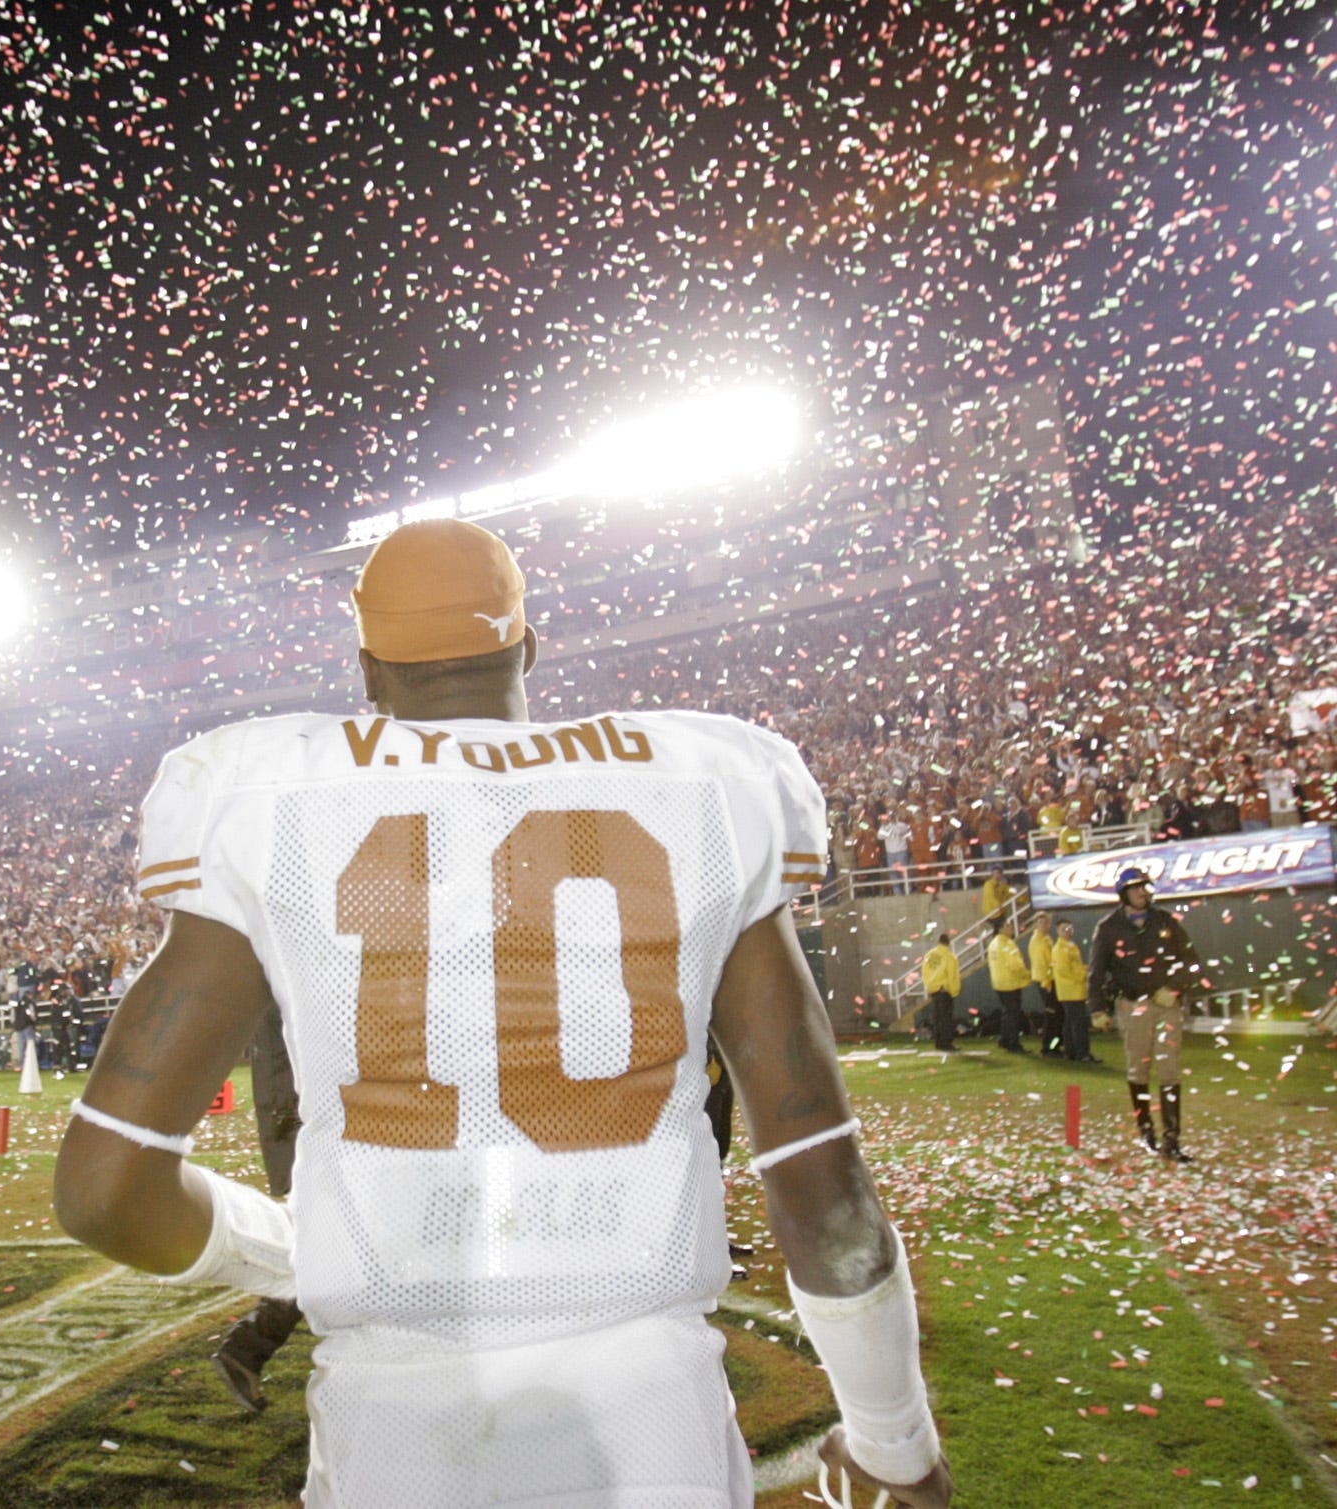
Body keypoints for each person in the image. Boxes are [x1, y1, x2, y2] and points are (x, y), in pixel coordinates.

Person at [54, 519, 951, 1509]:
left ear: (366, 668)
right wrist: (889, 1444)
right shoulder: (703, 786)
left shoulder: (264, 796)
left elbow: (105, 1194)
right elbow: (823, 1195)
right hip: (655, 1426)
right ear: (525, 645)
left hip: (393, 1439)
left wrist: (297, 1254)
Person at [210, 1002, 307, 1412]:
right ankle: (247, 1349)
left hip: (308, 1116)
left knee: (340, 1248)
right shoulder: (291, 959)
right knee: (340, 1248)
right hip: (312, 1119)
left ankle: (247, 1349)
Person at [1088, 866, 1203, 1162]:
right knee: (1138, 1070)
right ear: (1124, 893)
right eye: (1136, 887)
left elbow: (1192, 961)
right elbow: (1096, 973)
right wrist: (1098, 1008)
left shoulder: (1165, 921)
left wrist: (1175, 988)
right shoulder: (1109, 928)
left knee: (1169, 1070)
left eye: (1145, 887)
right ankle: (1146, 1132)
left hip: (1166, 1006)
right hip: (1131, 1007)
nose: (1143, 892)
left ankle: (1172, 1139)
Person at [1051, 920, 1095, 1063]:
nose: (1068, 931)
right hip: (1070, 990)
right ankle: (1082, 1053)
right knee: (1078, 1023)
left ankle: (1071, 1052)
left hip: (1074, 989)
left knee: (1071, 1022)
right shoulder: (1060, 949)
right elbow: (1064, 970)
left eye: (1070, 928)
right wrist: (1083, 974)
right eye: (1065, 929)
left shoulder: (1071, 946)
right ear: (1058, 931)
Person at [985, 917, 1031, 1053]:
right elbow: (1015, 964)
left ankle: (1004, 1040)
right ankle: (1013, 1043)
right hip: (1010, 983)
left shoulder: (993, 944)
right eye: (1008, 926)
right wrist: (1027, 975)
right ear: (1000, 929)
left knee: (1007, 1013)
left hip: (999, 983)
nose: (1011, 928)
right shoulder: (1006, 944)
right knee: (1012, 1015)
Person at [1026, 914, 1062, 1057]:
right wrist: (1047, 982)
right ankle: (1049, 1048)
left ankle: (1053, 1046)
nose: (1045, 925)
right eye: (1042, 922)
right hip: (1046, 982)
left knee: (1056, 1015)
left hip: (1049, 980)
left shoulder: (1046, 939)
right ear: (1036, 924)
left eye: (1047, 922)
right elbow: (1042, 964)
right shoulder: (1038, 941)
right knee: (1053, 1015)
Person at [921, 931, 961, 1052]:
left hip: (933, 989)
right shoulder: (949, 957)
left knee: (938, 1017)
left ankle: (938, 1042)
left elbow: (924, 971)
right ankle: (946, 1042)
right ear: (948, 943)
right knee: (946, 1018)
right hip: (944, 990)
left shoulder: (929, 954)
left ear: (938, 942)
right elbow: (952, 976)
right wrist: (954, 991)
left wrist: (928, 985)